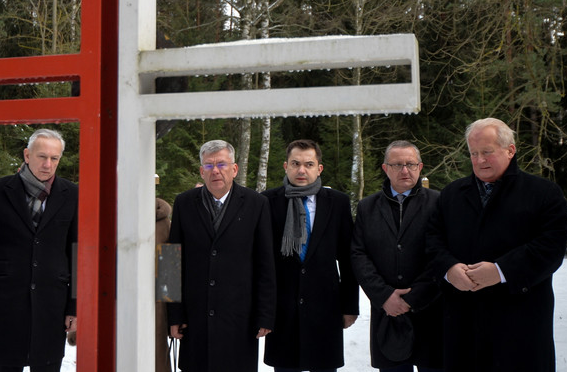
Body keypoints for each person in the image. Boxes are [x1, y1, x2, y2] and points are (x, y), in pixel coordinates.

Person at [426, 118, 567, 372]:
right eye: (474, 153)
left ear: (510, 150)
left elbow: (550, 248)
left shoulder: (544, 193)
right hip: (463, 322)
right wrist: (449, 269)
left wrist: (501, 271)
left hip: (520, 322)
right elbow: (432, 241)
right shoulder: (451, 195)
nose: (480, 160)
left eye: (487, 152)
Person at [0, 128, 78, 372]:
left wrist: (74, 306)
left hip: (51, 306)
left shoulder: (71, 194)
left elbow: (76, 254)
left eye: (54, 158)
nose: (48, 164)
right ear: (27, 155)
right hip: (4, 305)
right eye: (42, 156)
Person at [168, 140, 276, 372]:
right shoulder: (183, 203)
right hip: (194, 318)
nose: (215, 171)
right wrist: (173, 315)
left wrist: (265, 314)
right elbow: (170, 262)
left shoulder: (257, 204)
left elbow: (265, 263)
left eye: (221, 164)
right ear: (201, 171)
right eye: (208, 166)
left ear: (234, 169)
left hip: (239, 317)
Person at [262, 139, 359, 372]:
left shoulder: (337, 203)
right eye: (295, 163)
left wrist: (350, 306)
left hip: (325, 310)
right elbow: (262, 261)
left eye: (308, 164)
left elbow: (348, 259)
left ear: (319, 168)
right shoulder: (267, 201)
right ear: (286, 166)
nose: (301, 170)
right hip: (283, 312)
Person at [352, 141, 442, 372]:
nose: (405, 170)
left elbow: (442, 254)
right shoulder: (367, 207)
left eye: (411, 164)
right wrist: (384, 296)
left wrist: (414, 298)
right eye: (397, 164)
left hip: (430, 311)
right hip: (387, 313)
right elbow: (359, 255)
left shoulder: (438, 203)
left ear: (420, 167)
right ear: (385, 168)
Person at [156, 197, 172, 372]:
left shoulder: (163, 224)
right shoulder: (102, 215)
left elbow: (170, 276)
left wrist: (173, 320)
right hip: (111, 308)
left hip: (154, 313)